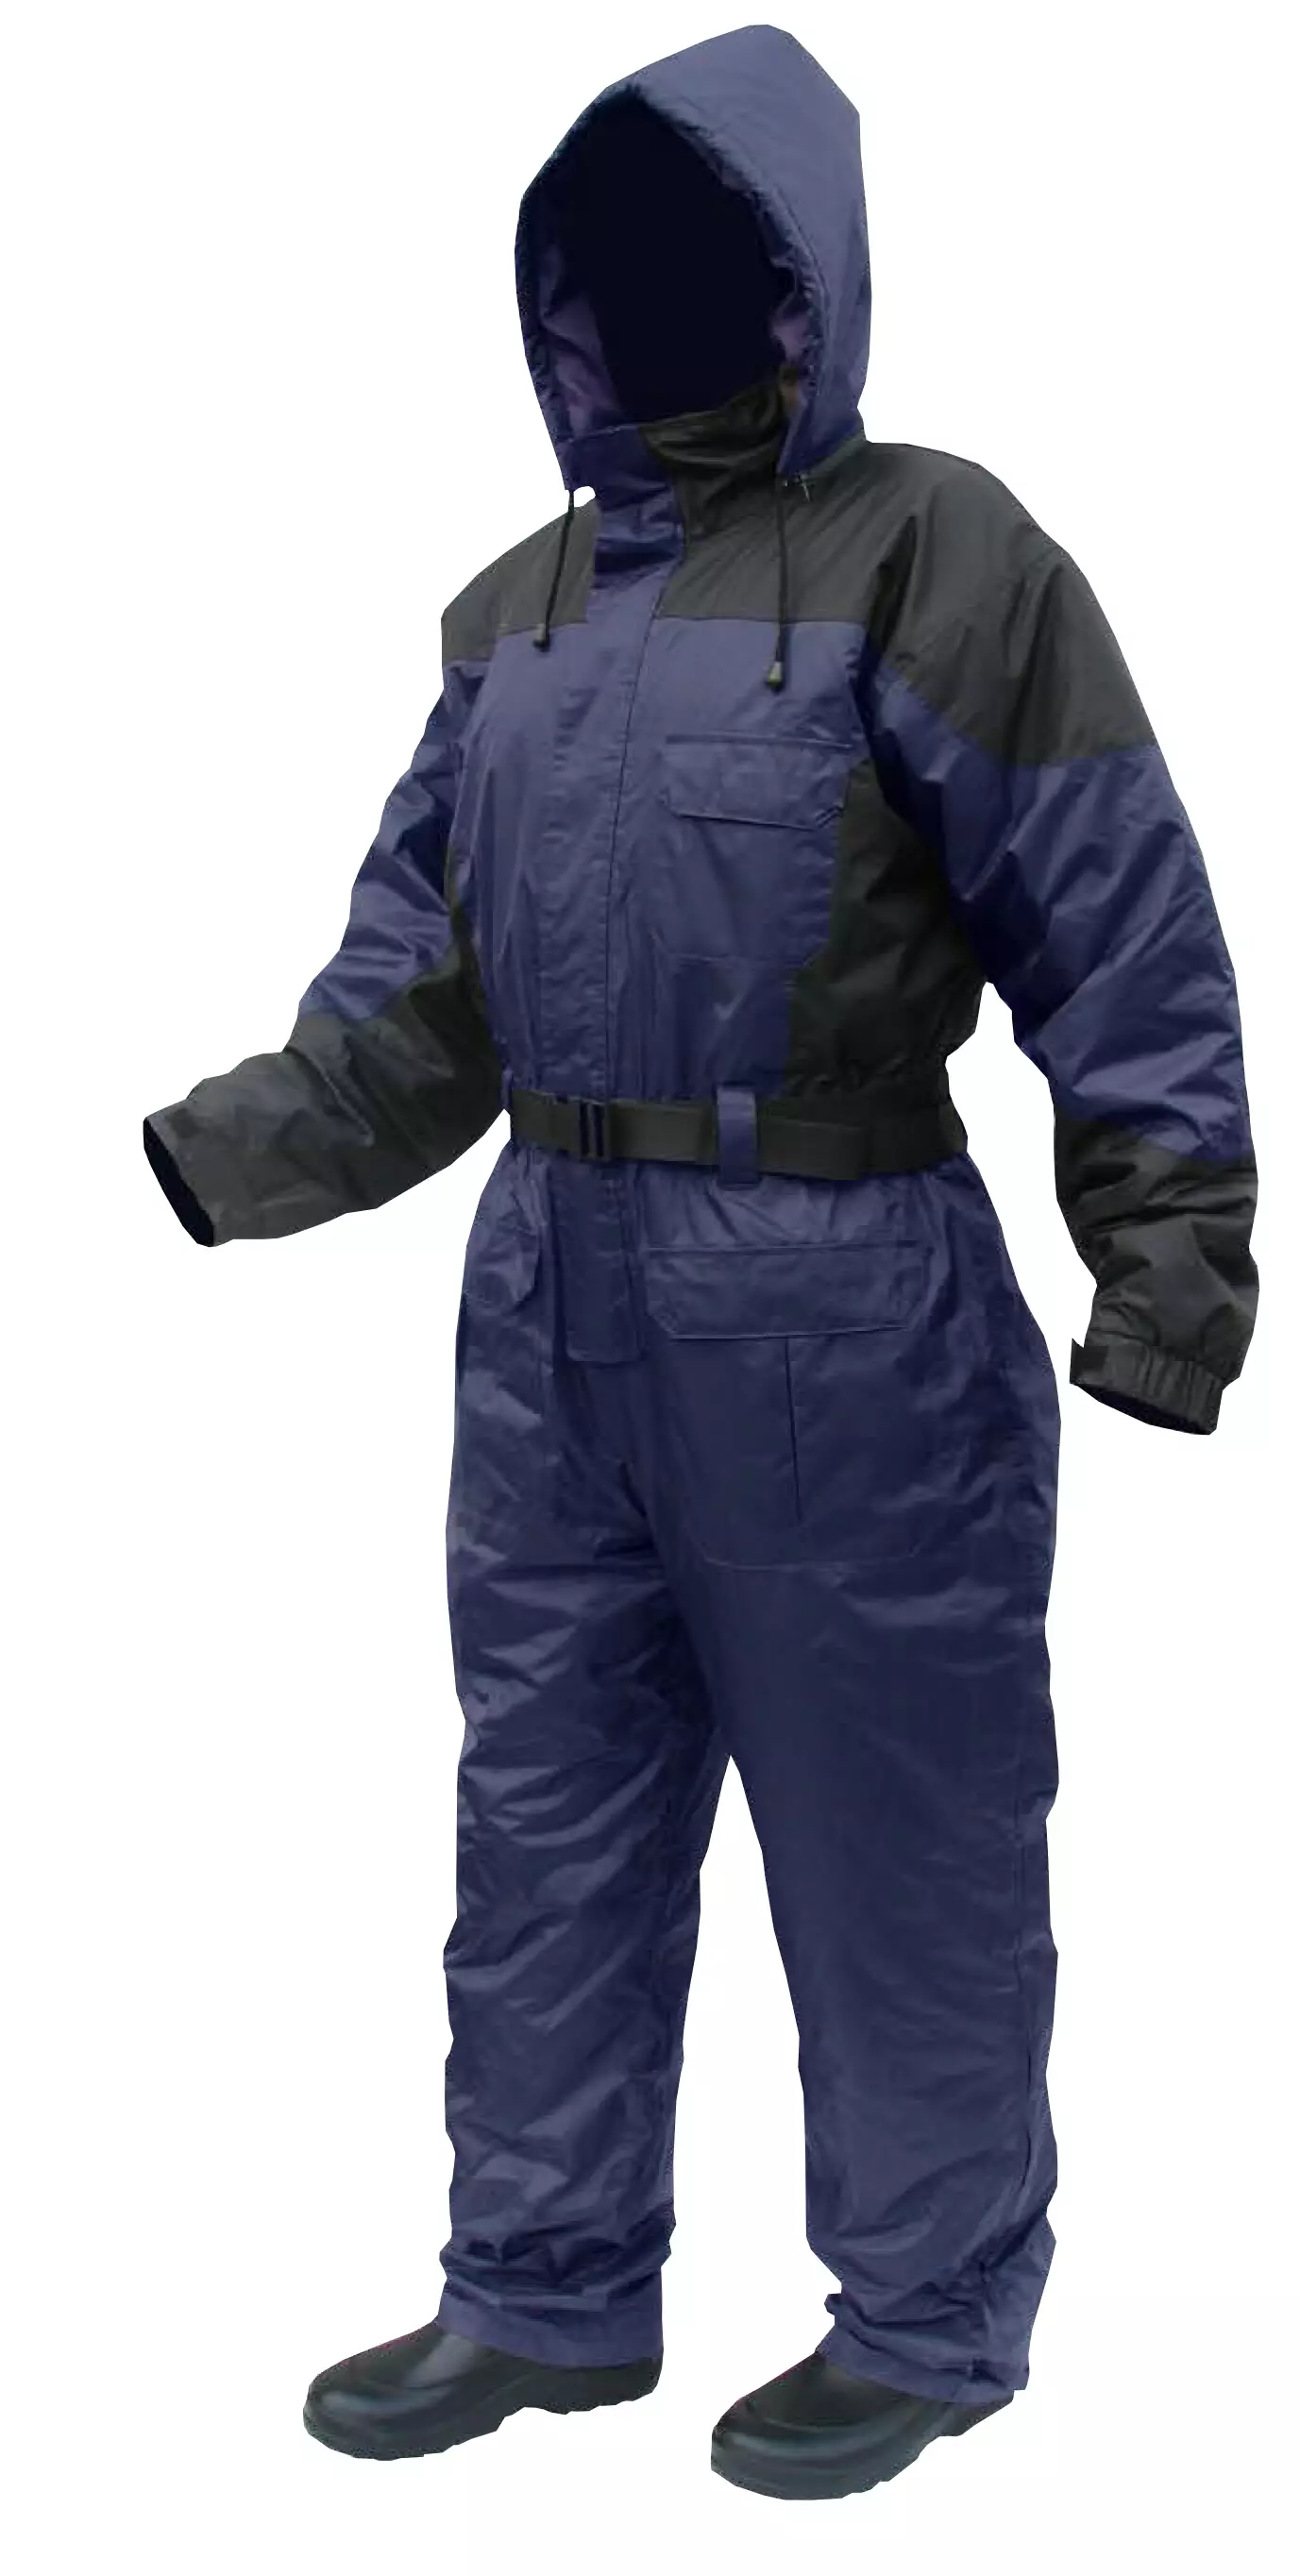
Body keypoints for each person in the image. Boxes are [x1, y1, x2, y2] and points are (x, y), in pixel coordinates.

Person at [143, 25, 1258, 2502]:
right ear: (548, 304)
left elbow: (1113, 917)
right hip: (554, 1306)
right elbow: (421, 998)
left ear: (801, 283)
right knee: (546, 1817)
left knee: (898, 1833)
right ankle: (542, 2291)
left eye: (696, 257)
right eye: (600, 267)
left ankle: (932, 2318)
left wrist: (1171, 1260)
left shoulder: (940, 554)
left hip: (843, 1302)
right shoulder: (511, 616)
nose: (636, 308)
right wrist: (224, 1156)